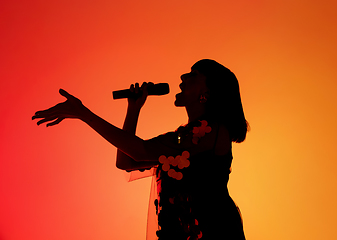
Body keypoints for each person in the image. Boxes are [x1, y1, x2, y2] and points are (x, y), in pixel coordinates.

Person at [32, 59, 249, 240]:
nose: (183, 77)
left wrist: (83, 113)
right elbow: (126, 162)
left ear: (207, 92)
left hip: (212, 233)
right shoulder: (183, 136)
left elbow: (140, 151)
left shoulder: (212, 132)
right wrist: (133, 110)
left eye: (193, 73)